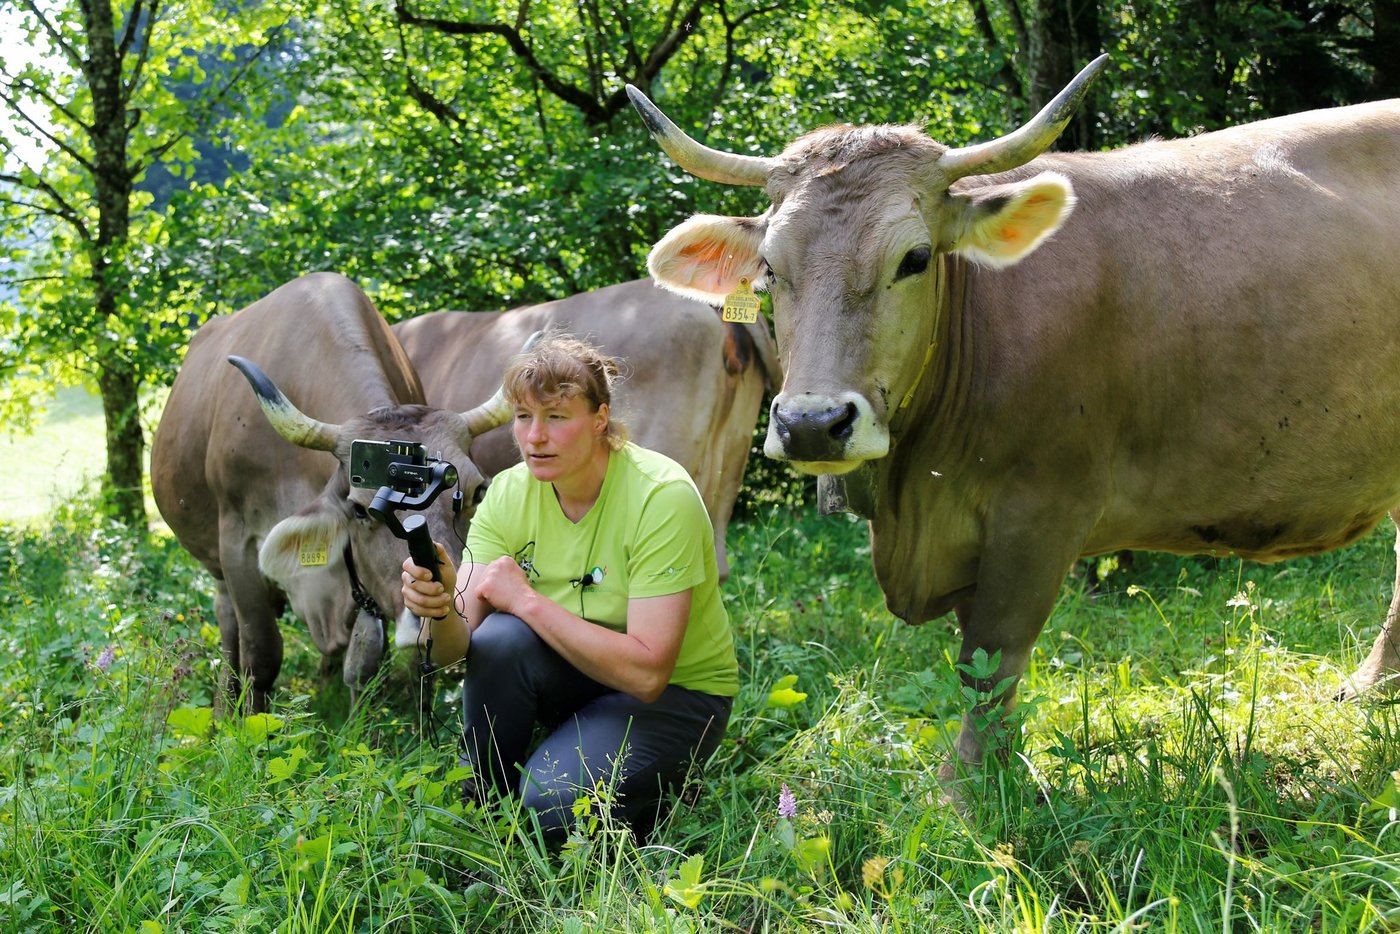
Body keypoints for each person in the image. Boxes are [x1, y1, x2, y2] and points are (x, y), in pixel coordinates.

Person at [400, 332, 739, 844]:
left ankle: (649, 792)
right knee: (497, 641)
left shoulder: (661, 496)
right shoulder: (509, 493)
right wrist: (440, 608)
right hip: (578, 674)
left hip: (674, 695)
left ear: (600, 419)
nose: (535, 437)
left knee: (550, 806)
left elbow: (648, 674)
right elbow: (452, 649)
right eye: (523, 417)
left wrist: (527, 602)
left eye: (556, 417)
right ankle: (487, 804)